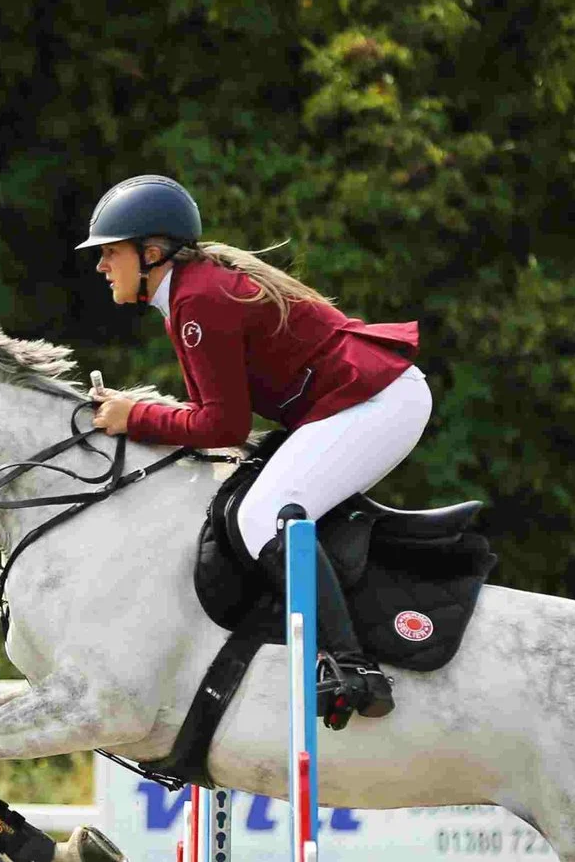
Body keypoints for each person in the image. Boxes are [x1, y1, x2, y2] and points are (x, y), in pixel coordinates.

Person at [81, 174, 427, 720]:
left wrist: (137, 416)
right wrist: (136, 412)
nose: (101, 265)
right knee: (259, 503)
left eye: (110, 253)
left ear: (151, 253)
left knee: (266, 514)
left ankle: (352, 668)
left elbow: (222, 425)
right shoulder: (189, 293)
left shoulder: (199, 299)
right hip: (361, 400)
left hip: (376, 402)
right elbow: (214, 418)